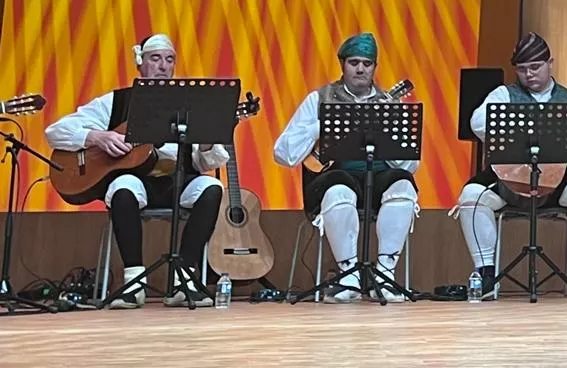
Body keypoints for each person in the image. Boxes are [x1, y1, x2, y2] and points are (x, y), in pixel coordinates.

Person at [44, 33, 228, 308]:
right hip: (136, 183)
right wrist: (97, 137)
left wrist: (206, 142)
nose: (163, 66)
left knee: (213, 188)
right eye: (156, 59)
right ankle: (134, 283)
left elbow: (205, 164)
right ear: (140, 63)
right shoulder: (116, 102)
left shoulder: (189, 104)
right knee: (123, 186)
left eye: (169, 60)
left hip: (176, 183)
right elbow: (55, 132)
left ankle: (184, 280)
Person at [453, 31, 567, 298]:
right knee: (471, 196)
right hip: (512, 182)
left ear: (550, 63)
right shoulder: (503, 95)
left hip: (558, 188)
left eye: (535, 67)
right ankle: (485, 274)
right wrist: (530, 124)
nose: (529, 74)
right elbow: (478, 123)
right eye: (521, 69)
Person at [273, 33, 418, 302]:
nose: (360, 69)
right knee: (340, 186)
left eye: (367, 63)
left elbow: (410, 164)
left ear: (375, 67)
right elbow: (282, 154)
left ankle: (385, 275)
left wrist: (391, 129)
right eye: (354, 62)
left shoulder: (389, 103)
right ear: (343, 64)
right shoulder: (319, 98)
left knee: (402, 184)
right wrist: (323, 125)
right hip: (332, 180)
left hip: (375, 181)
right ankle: (347, 275)